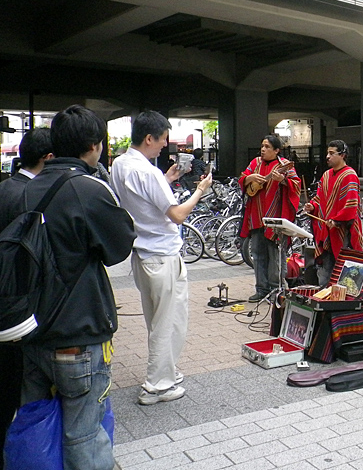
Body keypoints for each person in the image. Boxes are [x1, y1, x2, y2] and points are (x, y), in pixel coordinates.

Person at [14, 105, 135, 469]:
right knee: (82, 432)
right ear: (95, 145)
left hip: (31, 329)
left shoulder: (25, 188)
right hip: (77, 331)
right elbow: (118, 248)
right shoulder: (87, 188)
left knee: (37, 426)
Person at [110, 111, 213, 406]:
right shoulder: (148, 171)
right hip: (162, 254)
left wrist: (167, 180)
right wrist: (199, 191)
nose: (164, 146)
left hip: (142, 255)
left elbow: (143, 200)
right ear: (149, 138)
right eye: (163, 140)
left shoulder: (121, 164)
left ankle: (165, 372)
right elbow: (177, 215)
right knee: (168, 321)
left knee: (158, 319)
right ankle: (157, 385)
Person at [0, 128, 52, 469]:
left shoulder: (4, 187)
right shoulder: (33, 195)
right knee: (20, 383)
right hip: (22, 307)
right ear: (48, 158)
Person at [238, 134, 301, 301]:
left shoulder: (285, 166)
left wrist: (284, 180)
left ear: (276, 150)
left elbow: (296, 186)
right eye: (262, 146)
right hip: (256, 217)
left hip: (275, 219)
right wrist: (249, 178)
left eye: (267, 147)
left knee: (275, 256)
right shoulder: (255, 163)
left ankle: (276, 290)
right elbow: (242, 178)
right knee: (257, 255)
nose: (263, 149)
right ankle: (261, 289)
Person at [303, 140, 363, 286]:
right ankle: (325, 299)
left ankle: (341, 303)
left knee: (343, 271)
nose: (327, 157)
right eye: (327, 153)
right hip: (326, 231)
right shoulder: (326, 175)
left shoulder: (350, 175)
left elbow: (351, 205)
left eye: (331, 153)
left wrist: (337, 220)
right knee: (325, 271)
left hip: (342, 231)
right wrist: (312, 206)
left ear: (342, 155)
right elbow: (319, 198)